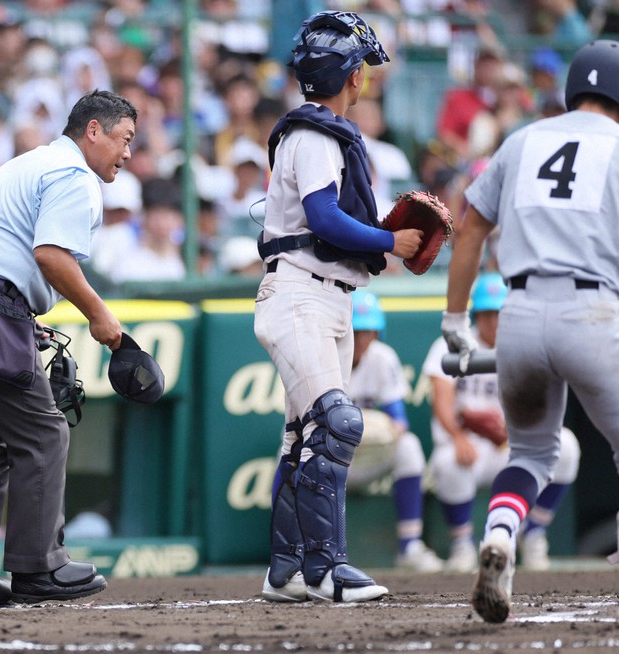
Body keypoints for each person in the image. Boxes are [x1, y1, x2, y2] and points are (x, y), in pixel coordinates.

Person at [441, 39, 619, 628]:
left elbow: (471, 225)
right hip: (590, 310)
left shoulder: (524, 138)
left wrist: (455, 320)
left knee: (531, 451)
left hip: (520, 311)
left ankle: (501, 532)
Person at [0, 90, 137, 609]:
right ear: (93, 132)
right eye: (124, 139)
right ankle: (40, 568)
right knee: (42, 432)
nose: (128, 154)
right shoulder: (74, 174)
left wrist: (18, 317)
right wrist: (100, 315)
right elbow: (51, 256)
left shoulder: (31, 161)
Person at [253, 10, 422, 604]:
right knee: (337, 424)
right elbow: (323, 217)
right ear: (350, 76)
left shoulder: (313, 132)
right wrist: (388, 241)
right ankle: (326, 570)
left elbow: (325, 217)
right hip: (300, 292)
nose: (365, 81)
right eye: (361, 72)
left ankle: (286, 571)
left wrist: (376, 236)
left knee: (303, 438)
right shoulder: (317, 133)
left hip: (323, 296)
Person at [424, 272, 581, 573]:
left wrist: (512, 429)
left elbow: (542, 403)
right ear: (476, 315)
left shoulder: (526, 346)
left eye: (500, 313)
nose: (495, 321)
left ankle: (533, 534)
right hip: (470, 447)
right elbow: (441, 401)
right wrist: (457, 434)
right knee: (447, 461)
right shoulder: (453, 344)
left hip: (512, 444)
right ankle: (462, 546)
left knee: (567, 446)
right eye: (488, 313)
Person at [346, 288, 443, 573]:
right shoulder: (325, 356)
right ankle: (297, 551)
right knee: (289, 454)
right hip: (331, 459)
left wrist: (376, 429)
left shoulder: (382, 357)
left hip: (369, 455)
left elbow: (398, 420)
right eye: (357, 330)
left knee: (408, 446)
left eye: (369, 331)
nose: (363, 338)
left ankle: (409, 546)